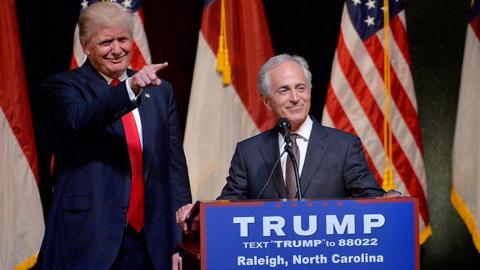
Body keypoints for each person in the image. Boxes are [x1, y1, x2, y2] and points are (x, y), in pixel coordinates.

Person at [36, 2, 191, 269]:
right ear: (85, 46)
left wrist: (181, 239)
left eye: (123, 39)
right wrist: (128, 89)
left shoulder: (160, 91)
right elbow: (81, 119)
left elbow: (173, 168)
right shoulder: (63, 86)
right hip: (89, 238)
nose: (117, 49)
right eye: (106, 42)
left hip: (152, 240)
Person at [177, 54, 399, 229]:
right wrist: (195, 215)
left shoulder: (344, 146)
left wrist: (390, 197)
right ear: (266, 101)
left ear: (309, 92)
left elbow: (373, 199)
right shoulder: (249, 152)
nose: (295, 97)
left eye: (300, 88)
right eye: (284, 90)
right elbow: (227, 207)